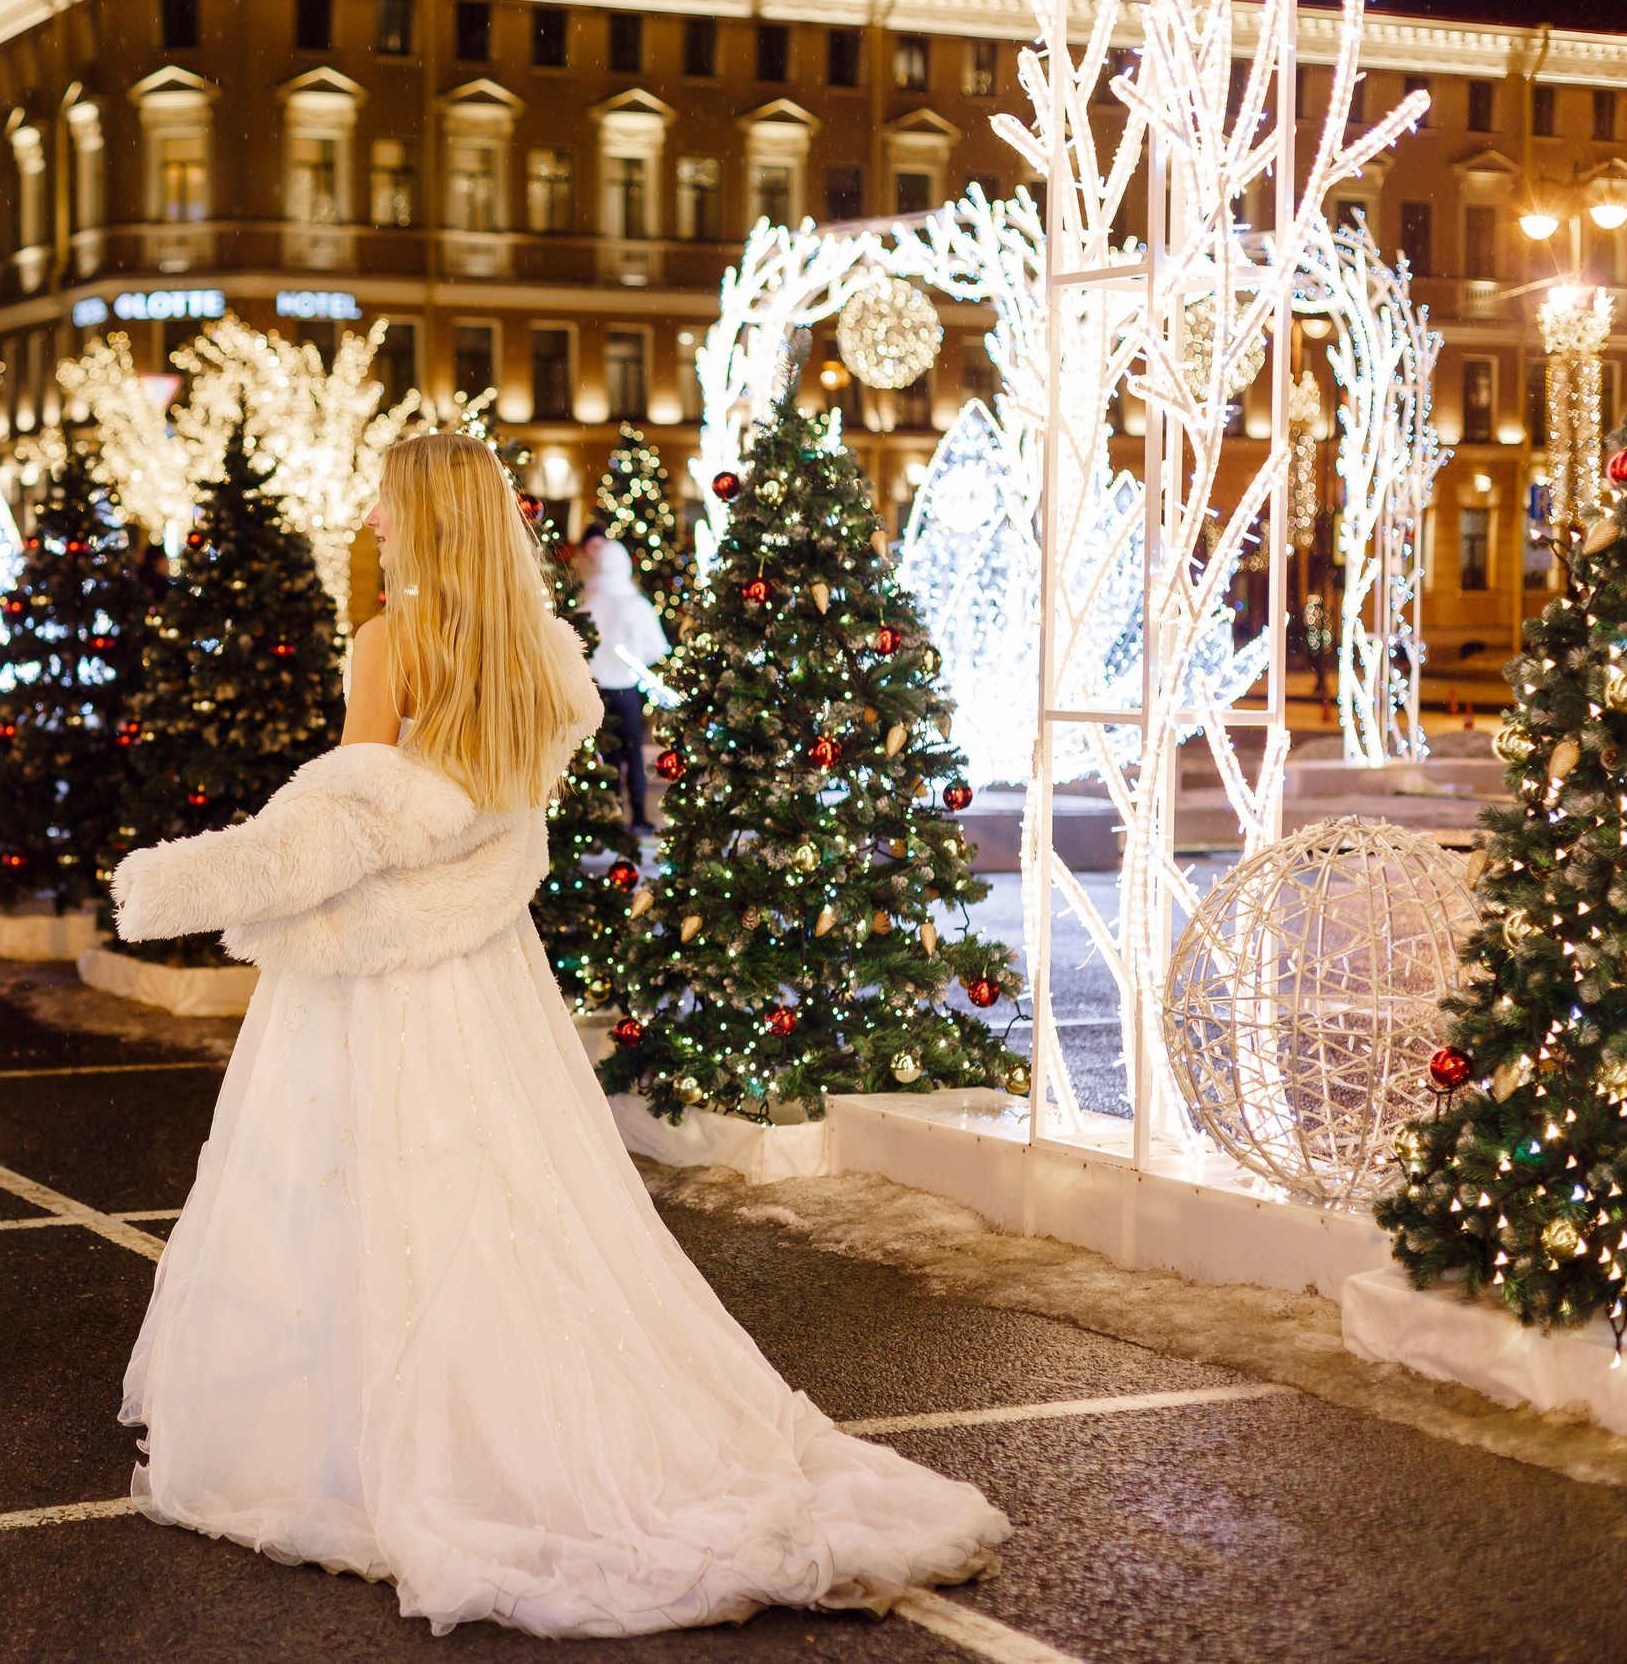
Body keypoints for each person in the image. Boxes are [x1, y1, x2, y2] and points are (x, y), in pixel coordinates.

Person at [108, 432, 1007, 1640]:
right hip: (489, 967)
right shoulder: (540, 654)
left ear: (423, 516)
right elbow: (488, 815)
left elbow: (354, 819)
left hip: (380, 970)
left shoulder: (390, 641)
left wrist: (199, 884)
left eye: (383, 502)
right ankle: (509, 1406)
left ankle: (357, 1427)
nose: (371, 520)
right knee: (508, 1178)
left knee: (354, 1180)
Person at [578, 526, 670, 834]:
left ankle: (611, 816)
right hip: (627, 689)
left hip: (597, 690)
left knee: (608, 755)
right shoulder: (636, 604)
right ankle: (640, 814)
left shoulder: (587, 600)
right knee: (633, 750)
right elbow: (657, 648)